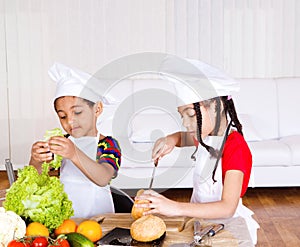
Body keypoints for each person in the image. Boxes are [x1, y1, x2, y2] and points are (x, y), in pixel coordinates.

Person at [134, 59, 259, 245]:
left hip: (228, 230)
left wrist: (174, 207)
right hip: (200, 226)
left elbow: (227, 208)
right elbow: (180, 137)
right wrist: (169, 139)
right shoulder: (205, 137)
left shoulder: (235, 147)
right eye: (181, 115)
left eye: (191, 115)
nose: (185, 123)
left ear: (216, 106)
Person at [29, 63, 121, 218]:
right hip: (67, 221)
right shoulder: (61, 143)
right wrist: (36, 160)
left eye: (77, 112)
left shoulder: (108, 144)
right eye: (63, 116)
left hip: (101, 222)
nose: (70, 122)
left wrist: (74, 154)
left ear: (97, 109)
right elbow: (37, 179)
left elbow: (104, 177)